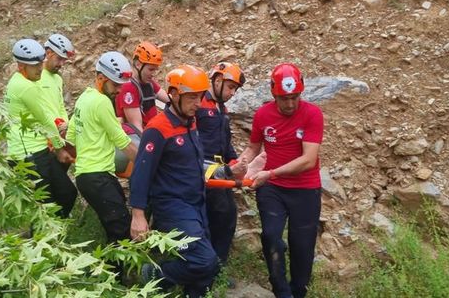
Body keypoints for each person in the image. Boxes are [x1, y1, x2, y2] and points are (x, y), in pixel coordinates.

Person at [130, 64, 219, 298]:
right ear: (174, 94)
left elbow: (193, 163)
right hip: (173, 206)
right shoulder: (158, 129)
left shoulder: (191, 123)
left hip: (196, 203)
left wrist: (227, 172)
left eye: (200, 96)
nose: (198, 103)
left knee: (208, 268)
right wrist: (138, 215)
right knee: (204, 260)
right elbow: (141, 172)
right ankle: (154, 274)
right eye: (192, 97)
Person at [239, 63, 324, 298]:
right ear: (273, 93)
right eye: (283, 98)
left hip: (305, 189)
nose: (289, 104)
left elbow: (308, 159)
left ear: (301, 93)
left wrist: (271, 172)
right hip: (273, 189)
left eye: (294, 97)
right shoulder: (263, 115)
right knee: (271, 236)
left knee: (302, 247)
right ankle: (280, 291)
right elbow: (252, 148)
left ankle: (298, 292)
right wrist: (240, 165)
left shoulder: (312, 114)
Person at [66, 51, 138, 244]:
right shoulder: (102, 102)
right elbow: (122, 142)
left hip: (87, 176)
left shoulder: (84, 98)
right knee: (122, 233)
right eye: (115, 85)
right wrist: (149, 163)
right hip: (98, 176)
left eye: (121, 86)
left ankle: (113, 270)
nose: (119, 91)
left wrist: (80, 159)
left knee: (117, 225)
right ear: (100, 78)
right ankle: (116, 274)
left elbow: (70, 138)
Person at [4, 38, 77, 218]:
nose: (39, 68)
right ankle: (46, 239)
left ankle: (54, 234)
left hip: (37, 150)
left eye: (40, 63)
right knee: (47, 205)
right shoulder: (25, 87)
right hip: (28, 154)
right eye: (35, 65)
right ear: (21, 66)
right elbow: (45, 121)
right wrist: (60, 149)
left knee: (65, 195)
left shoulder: (20, 81)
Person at [195, 62, 247, 266]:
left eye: (235, 89)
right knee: (213, 219)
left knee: (226, 218)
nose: (233, 93)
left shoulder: (221, 109)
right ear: (217, 81)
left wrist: (236, 163)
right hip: (203, 172)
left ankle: (217, 266)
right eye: (231, 87)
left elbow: (225, 142)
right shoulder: (198, 105)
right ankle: (207, 267)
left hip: (221, 171)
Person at [115, 41, 169, 133]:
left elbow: (170, 100)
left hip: (153, 132)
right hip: (141, 139)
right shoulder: (128, 88)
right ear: (138, 64)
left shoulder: (148, 83)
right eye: (151, 69)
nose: (153, 74)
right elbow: (137, 128)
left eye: (155, 70)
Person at [39, 33, 75, 156]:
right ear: (49, 53)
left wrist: (65, 125)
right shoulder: (36, 76)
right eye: (59, 59)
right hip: (42, 138)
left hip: (58, 135)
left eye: (64, 60)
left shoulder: (57, 79)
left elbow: (60, 106)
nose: (61, 64)